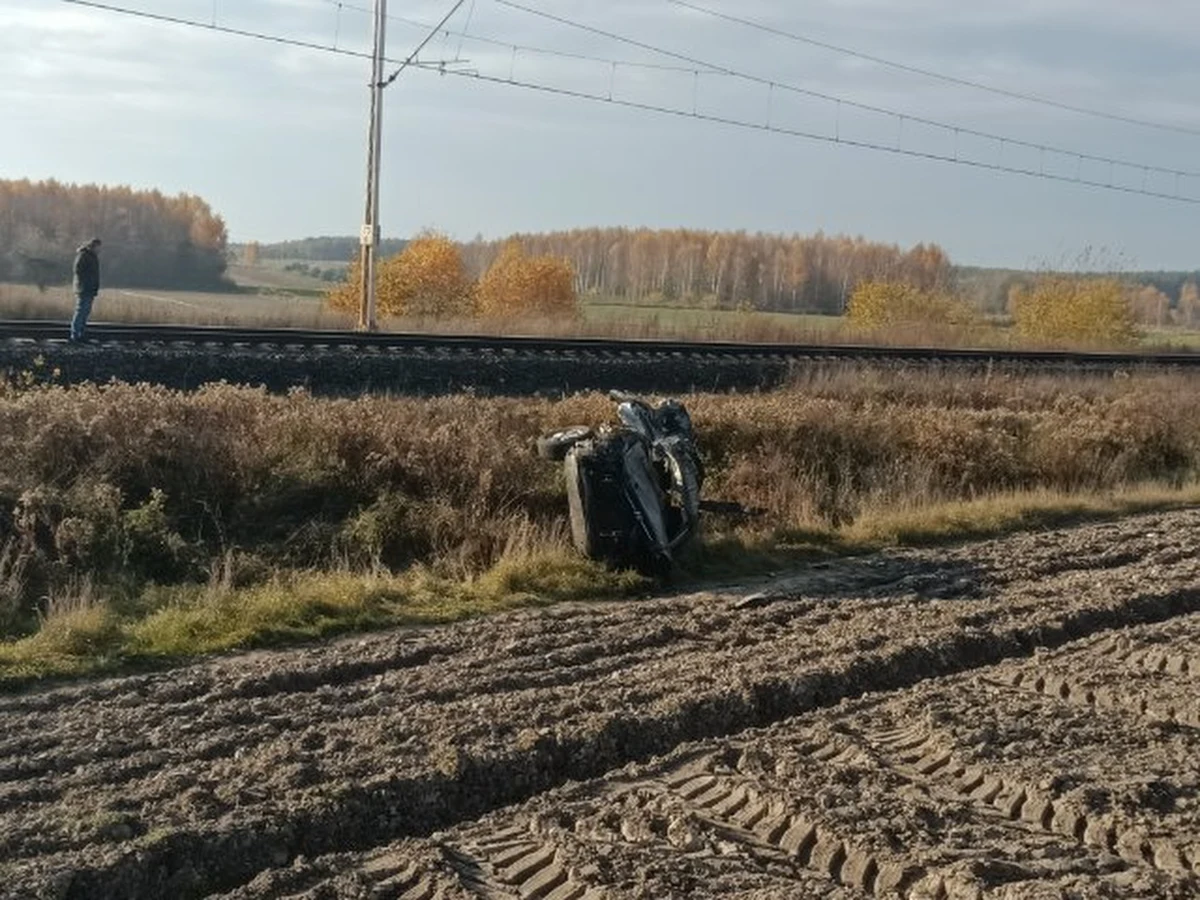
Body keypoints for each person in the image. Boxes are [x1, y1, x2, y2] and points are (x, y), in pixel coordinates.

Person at [70, 237, 102, 342]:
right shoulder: (84, 255)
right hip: (84, 288)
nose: (99, 249)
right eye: (98, 247)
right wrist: (87, 280)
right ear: (93, 246)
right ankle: (75, 335)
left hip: (89, 288)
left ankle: (81, 333)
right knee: (81, 311)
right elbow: (77, 270)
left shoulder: (92, 256)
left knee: (85, 312)